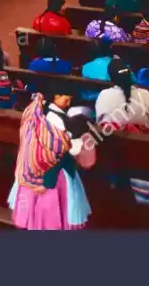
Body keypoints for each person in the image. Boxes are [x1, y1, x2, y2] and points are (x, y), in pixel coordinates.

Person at [7, 82, 96, 230]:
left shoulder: (40, 110)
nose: (67, 100)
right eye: (62, 96)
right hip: (52, 174)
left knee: (32, 208)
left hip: (34, 167)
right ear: (54, 97)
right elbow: (59, 155)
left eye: (69, 97)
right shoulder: (57, 122)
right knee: (51, 212)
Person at [96, 58, 149, 206]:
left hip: (111, 153)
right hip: (141, 154)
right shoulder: (145, 95)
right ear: (130, 74)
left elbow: (100, 124)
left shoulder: (103, 95)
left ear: (110, 78)